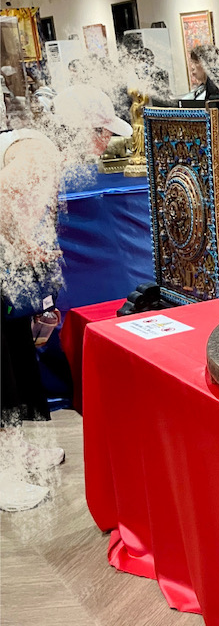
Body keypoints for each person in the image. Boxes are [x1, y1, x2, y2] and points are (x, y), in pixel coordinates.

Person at [0, 85, 131, 511]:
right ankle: (5, 472)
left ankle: (15, 448)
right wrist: (26, 245)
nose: (106, 144)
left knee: (14, 356)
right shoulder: (40, 153)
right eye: (102, 133)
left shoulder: (46, 154)